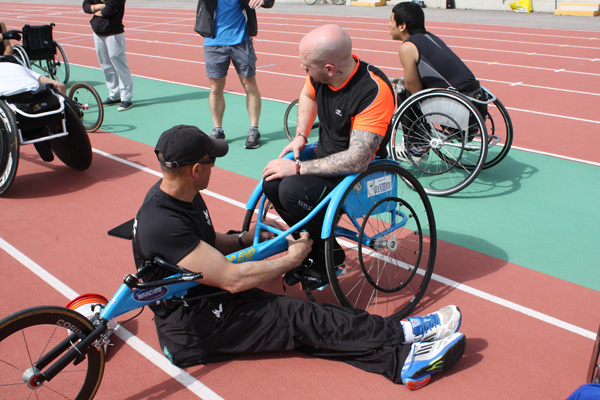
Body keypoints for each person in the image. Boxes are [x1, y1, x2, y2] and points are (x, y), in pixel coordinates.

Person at [132, 124, 466, 390]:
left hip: (203, 304)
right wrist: (293, 259)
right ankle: (402, 335)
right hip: (196, 325)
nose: (214, 166)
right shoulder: (163, 223)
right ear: (194, 169)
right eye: (211, 161)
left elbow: (206, 241)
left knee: (304, 329)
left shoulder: (178, 195)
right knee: (301, 318)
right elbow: (231, 279)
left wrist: (247, 238)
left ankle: (401, 359)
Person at [261, 24, 395, 292]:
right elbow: (307, 95)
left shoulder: (372, 92)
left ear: (330, 68)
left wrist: (297, 168)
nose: (303, 69)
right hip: (324, 162)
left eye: (307, 65)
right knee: (271, 181)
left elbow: (357, 160)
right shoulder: (319, 75)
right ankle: (319, 250)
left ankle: (326, 256)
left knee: (289, 189)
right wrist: (300, 135)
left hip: (357, 174)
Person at [388, 1, 488, 161]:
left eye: (391, 20)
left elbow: (414, 89)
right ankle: (419, 143)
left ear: (402, 26)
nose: (388, 25)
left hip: (457, 110)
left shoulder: (407, 47)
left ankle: (416, 147)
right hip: (476, 100)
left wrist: (405, 83)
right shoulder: (430, 37)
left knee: (404, 91)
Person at [194, 0, 274, 149]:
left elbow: (269, 2)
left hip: (241, 41)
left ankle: (254, 130)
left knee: (250, 86)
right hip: (214, 42)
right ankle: (218, 130)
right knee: (216, 88)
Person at [82, 0, 134, 111]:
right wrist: (100, 6)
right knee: (106, 65)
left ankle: (126, 98)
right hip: (98, 32)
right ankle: (114, 94)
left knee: (120, 65)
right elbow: (85, 6)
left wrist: (95, 9)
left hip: (114, 33)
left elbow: (108, 11)